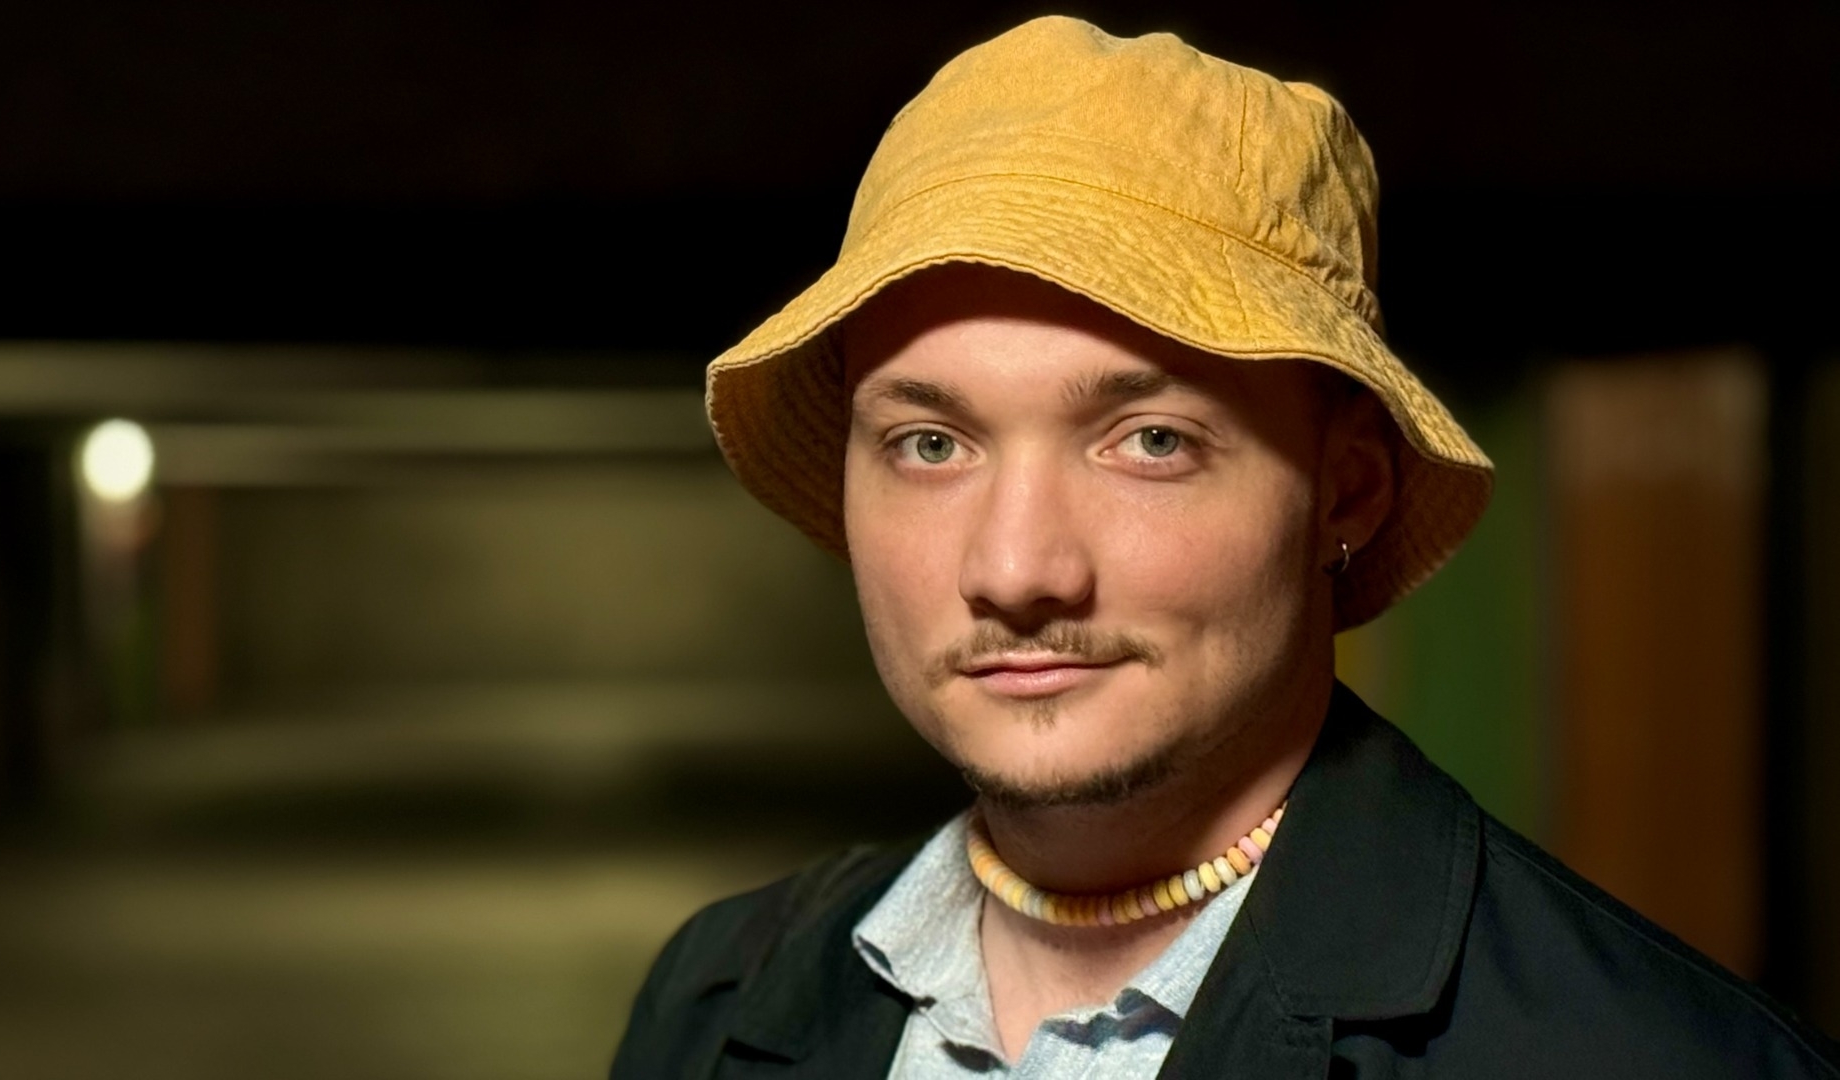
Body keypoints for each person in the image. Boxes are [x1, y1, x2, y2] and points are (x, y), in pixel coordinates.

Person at [613, 16, 1839, 1078]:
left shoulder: (1642, 1056)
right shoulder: (716, 999)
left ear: (1343, 492)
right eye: (931, 444)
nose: (1014, 571)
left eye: (1148, 441)